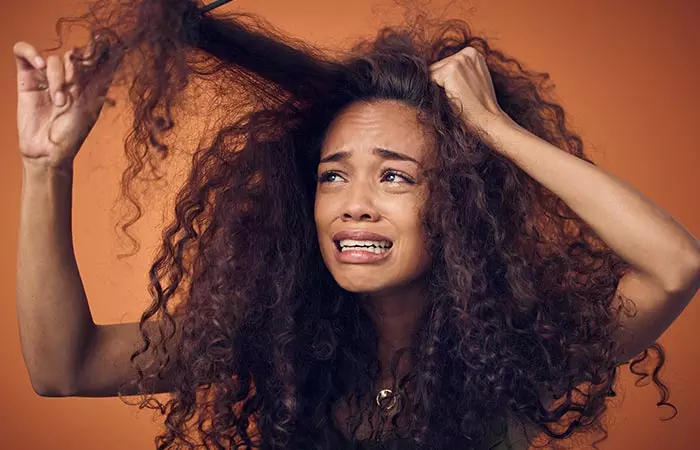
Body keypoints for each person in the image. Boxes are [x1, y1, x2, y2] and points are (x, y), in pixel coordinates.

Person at [14, 0, 699, 449]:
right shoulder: (270, 334)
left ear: (461, 204)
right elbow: (62, 368)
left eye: (395, 175)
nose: (355, 202)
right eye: (333, 175)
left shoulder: (519, 349)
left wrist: (493, 129)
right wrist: (48, 167)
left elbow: (676, 266)